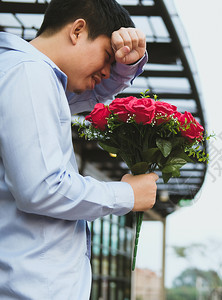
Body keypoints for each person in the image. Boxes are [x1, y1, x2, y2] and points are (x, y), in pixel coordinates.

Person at [0, 0, 158, 298]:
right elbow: (42, 188)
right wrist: (126, 195)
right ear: (77, 31)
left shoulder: (35, 76)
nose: (107, 71)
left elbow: (92, 93)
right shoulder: (29, 75)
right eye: (108, 57)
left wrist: (126, 66)